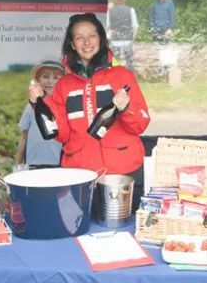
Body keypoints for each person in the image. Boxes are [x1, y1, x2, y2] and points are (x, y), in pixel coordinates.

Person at [28, 13, 150, 207]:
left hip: (121, 173)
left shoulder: (122, 76)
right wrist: (39, 103)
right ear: (72, 44)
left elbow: (140, 124)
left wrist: (125, 108)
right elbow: (62, 134)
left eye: (92, 35)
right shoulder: (64, 85)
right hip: (79, 175)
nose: (86, 42)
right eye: (79, 37)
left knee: (123, 232)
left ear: (101, 38)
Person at [15, 60, 65, 169]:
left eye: (56, 78)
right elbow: (23, 137)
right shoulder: (31, 107)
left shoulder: (65, 108)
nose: (50, 82)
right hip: (33, 164)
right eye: (45, 77)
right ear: (37, 80)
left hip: (59, 165)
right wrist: (18, 164)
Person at [106, 0, 139, 72]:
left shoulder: (110, 11)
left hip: (115, 39)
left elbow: (107, 26)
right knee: (129, 61)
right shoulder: (130, 10)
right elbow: (135, 25)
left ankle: (114, 76)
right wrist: (133, 36)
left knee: (115, 61)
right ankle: (130, 77)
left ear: (116, 0)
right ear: (125, 0)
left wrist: (108, 37)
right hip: (128, 38)